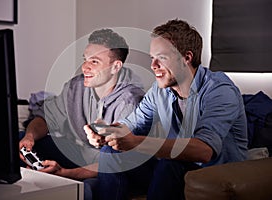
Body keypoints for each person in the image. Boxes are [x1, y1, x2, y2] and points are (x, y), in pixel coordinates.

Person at [84, 19, 248, 199]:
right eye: (152, 58)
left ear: (186, 58)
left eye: (161, 58)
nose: (153, 65)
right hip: (176, 166)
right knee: (110, 152)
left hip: (216, 174)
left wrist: (137, 142)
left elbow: (204, 150)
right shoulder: (159, 90)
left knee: (169, 164)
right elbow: (132, 124)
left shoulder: (220, 90)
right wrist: (107, 132)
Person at [19, 28, 145, 199]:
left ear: (116, 67)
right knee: (21, 138)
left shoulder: (130, 100)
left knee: (89, 188)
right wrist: (29, 136)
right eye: (85, 59)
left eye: (94, 61)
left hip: (111, 168)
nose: (85, 66)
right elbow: (46, 118)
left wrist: (67, 173)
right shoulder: (76, 86)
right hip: (80, 154)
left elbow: (115, 162)